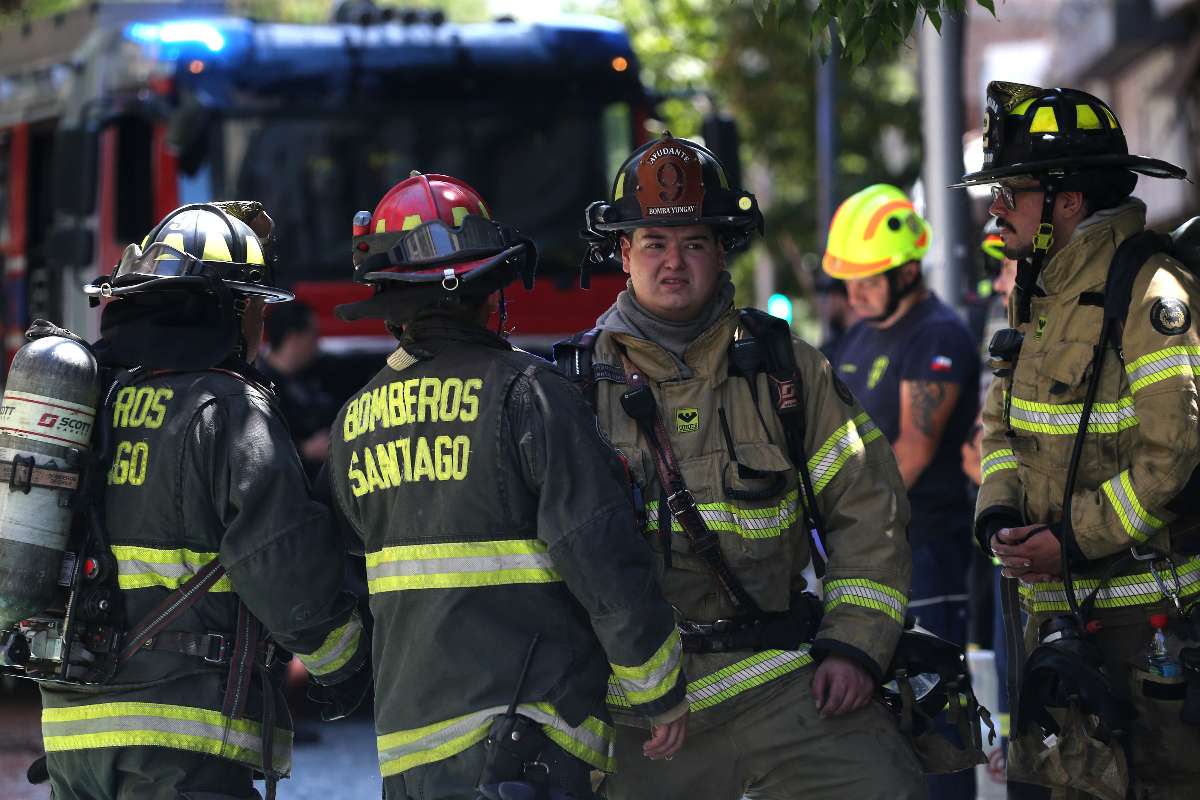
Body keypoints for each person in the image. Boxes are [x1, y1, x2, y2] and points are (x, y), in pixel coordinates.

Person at [562, 134, 925, 799]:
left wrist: (855, 647)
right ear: (622, 253)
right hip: (641, 706)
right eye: (654, 244)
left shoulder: (787, 369)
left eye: (694, 243)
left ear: (721, 248)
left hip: (784, 685)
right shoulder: (573, 391)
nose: (675, 263)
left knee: (888, 787)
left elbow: (869, 507)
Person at [324, 172, 688, 800]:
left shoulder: (353, 420)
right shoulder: (530, 395)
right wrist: (658, 691)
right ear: (491, 293)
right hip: (528, 743)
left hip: (409, 753)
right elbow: (598, 552)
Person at [40, 202, 369, 800]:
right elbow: (285, 567)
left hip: (69, 735)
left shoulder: (92, 401)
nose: (261, 327)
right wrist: (343, 663)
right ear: (234, 309)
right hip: (177, 742)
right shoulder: (226, 411)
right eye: (256, 307)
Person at [958, 81, 1200, 798]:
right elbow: (1001, 424)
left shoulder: (1151, 293)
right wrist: (1000, 516)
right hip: (1056, 611)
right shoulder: (1037, 290)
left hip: (1144, 630)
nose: (996, 209)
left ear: (1067, 201)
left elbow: (1174, 454)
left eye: (1012, 192)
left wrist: (1071, 538)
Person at [821, 183, 980, 800]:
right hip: (866, 552)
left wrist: (841, 520)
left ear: (908, 270)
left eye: (868, 277)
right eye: (848, 279)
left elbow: (911, 450)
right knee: (876, 723)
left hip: (924, 551)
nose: (854, 291)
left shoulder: (936, 335)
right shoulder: (860, 336)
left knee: (933, 717)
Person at [259, 301, 337, 480]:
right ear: (293, 338)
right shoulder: (259, 387)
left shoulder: (312, 374)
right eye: (313, 336)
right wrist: (306, 451)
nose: (317, 344)